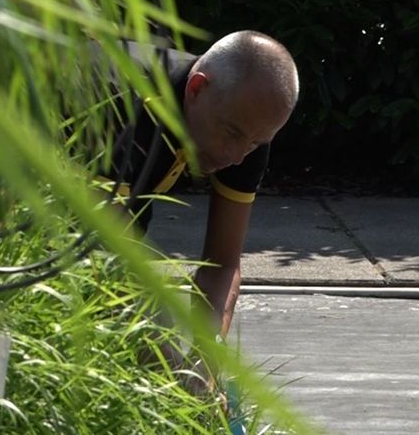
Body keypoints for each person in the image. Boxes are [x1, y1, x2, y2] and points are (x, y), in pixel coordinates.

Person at [91, 30, 299, 384]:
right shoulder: (124, 114)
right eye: (232, 134)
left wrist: (206, 360)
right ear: (196, 89)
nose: (237, 157)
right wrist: (172, 377)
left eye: (254, 144)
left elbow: (221, 264)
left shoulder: (246, 124)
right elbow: (103, 264)